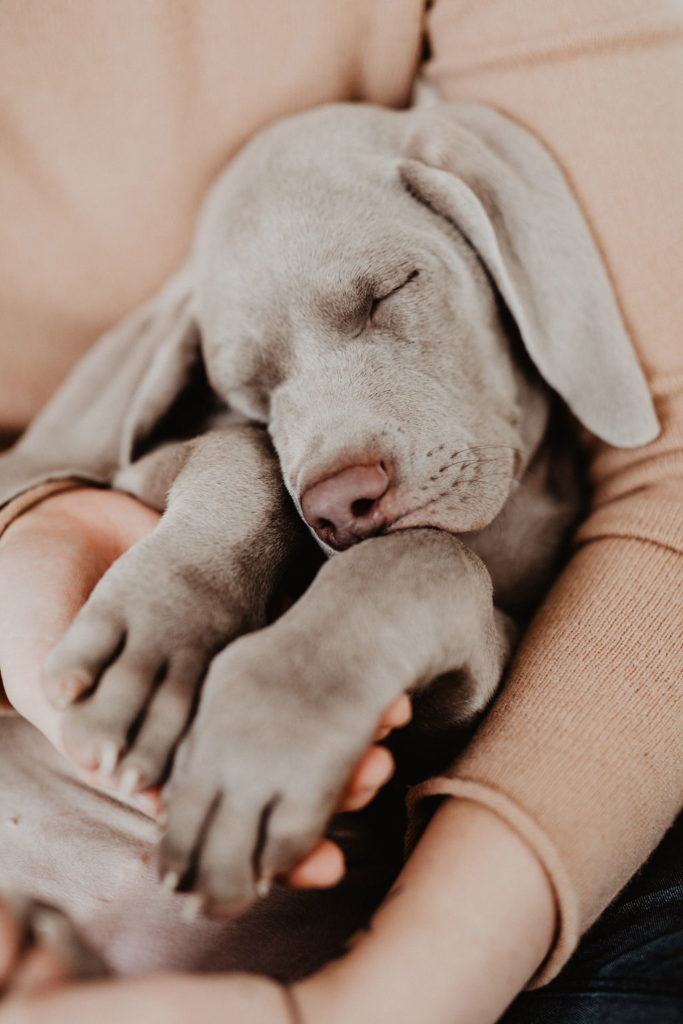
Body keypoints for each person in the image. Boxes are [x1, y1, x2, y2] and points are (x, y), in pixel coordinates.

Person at [0, 1, 681, 1021]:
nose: (329, 462)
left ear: (488, 231)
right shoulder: (236, 442)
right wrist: (59, 518)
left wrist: (390, 993)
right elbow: (105, 478)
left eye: (383, 297)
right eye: (262, 389)